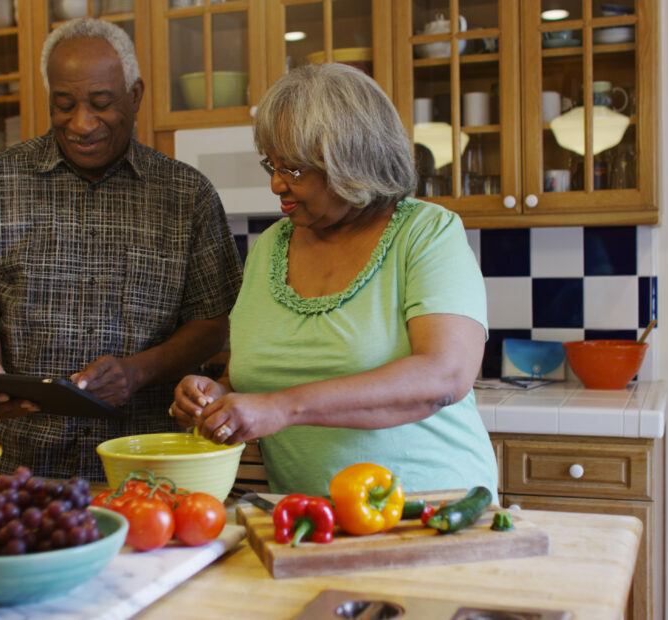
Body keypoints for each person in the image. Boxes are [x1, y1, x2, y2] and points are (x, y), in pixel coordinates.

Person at [0, 18, 243, 481]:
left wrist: (137, 371)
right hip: (20, 458)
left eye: (101, 103)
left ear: (135, 96)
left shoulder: (185, 194)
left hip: (144, 459)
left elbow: (213, 323)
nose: (81, 123)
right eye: (64, 104)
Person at [171, 63, 498, 499]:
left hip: (433, 509)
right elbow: (251, 378)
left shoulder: (427, 233)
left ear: (351, 161)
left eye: (295, 170)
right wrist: (216, 395)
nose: (275, 184)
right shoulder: (269, 248)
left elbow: (445, 376)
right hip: (309, 519)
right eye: (271, 164)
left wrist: (283, 408)